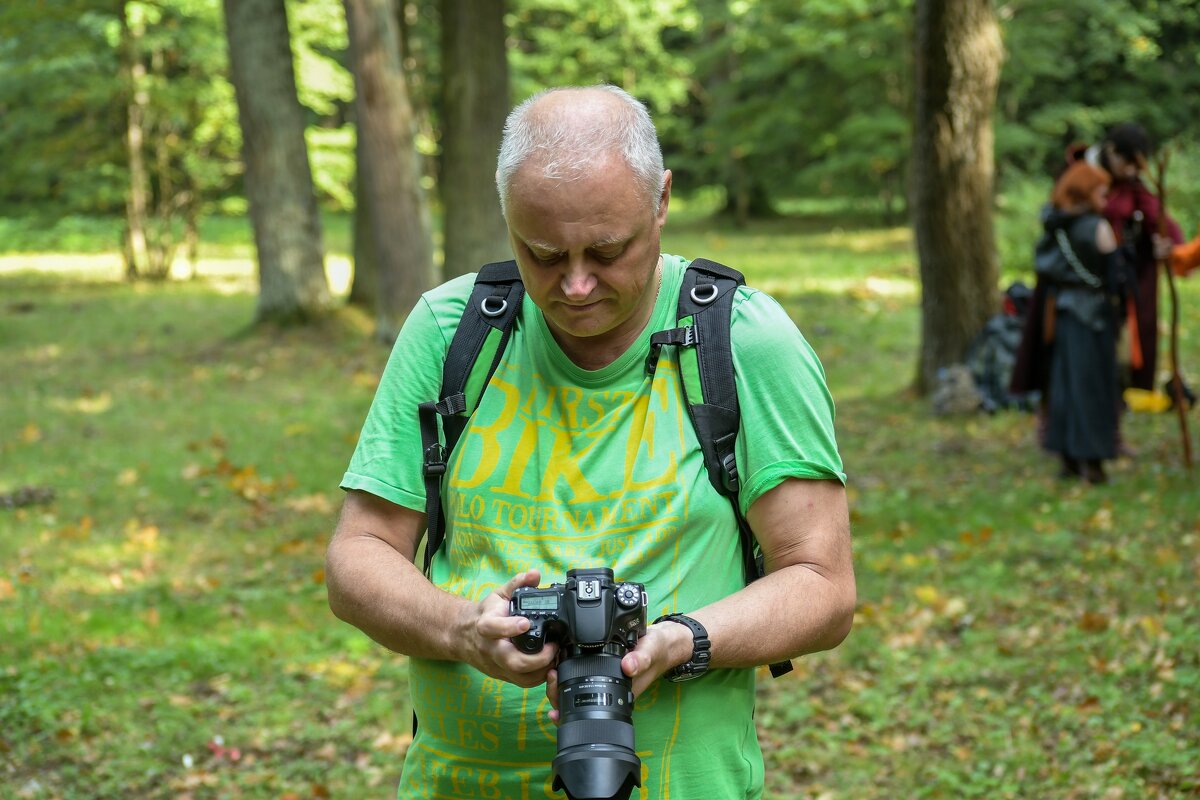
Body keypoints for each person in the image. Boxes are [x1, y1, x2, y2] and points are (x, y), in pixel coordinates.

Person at [324, 85, 856, 799]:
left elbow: (823, 585)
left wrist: (680, 640)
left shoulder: (743, 342)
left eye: (608, 251)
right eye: (542, 253)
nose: (574, 286)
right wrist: (461, 628)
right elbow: (358, 556)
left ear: (662, 200)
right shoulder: (454, 331)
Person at [1025, 161, 1125, 483]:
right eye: (1101, 192)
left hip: (1062, 314)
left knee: (1065, 385)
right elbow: (1116, 278)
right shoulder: (1097, 227)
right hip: (1093, 316)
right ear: (1085, 191)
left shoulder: (1054, 226)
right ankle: (1093, 463)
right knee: (1091, 387)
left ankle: (1067, 459)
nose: (1106, 199)